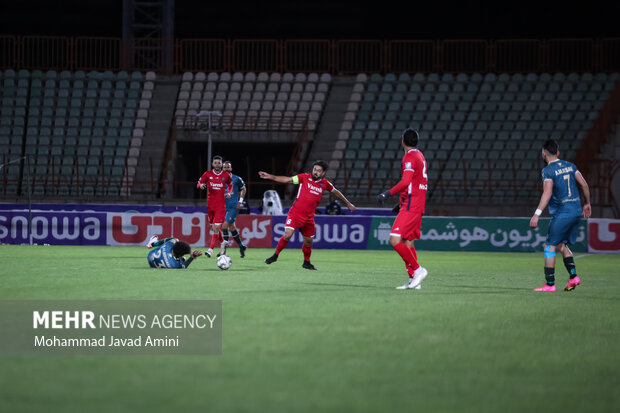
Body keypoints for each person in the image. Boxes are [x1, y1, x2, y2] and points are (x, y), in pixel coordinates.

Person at [259, 160, 356, 270]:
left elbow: (336, 192)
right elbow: (289, 180)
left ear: (323, 173)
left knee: (308, 241)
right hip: (295, 214)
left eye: (319, 171)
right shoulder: (304, 177)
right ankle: (275, 256)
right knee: (288, 234)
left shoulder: (325, 184)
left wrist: (348, 203)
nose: (315, 172)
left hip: (309, 217)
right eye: (315, 169)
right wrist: (271, 177)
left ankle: (306, 262)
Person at [529, 139, 591, 292]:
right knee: (562, 245)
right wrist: (587, 203)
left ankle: (550, 285)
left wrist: (536, 214)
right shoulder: (570, 166)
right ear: (558, 152)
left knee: (549, 246)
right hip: (576, 210)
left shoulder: (548, 171)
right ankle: (573, 277)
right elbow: (584, 184)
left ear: (544, 153)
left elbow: (547, 192)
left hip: (563, 213)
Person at [377, 128, 428, 290]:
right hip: (416, 202)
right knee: (408, 241)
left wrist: (387, 193)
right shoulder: (420, 155)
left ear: (402, 141)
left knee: (394, 239)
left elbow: (406, 181)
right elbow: (416, 182)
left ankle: (418, 270)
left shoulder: (410, 157)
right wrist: (400, 203)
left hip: (412, 204)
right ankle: (414, 280)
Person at [197, 155, 232, 258]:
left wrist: (229, 192)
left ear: (222, 164)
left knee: (216, 227)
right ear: (212, 164)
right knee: (214, 228)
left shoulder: (226, 175)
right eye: (215, 163)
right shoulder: (207, 174)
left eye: (219, 163)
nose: (217, 164)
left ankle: (210, 250)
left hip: (220, 206)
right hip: (210, 205)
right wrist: (201, 185)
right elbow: (199, 183)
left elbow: (230, 185)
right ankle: (223, 241)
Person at [222, 160, 248, 258]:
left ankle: (223, 250)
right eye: (225, 167)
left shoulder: (236, 179)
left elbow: (244, 189)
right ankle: (241, 246)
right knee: (232, 227)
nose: (227, 169)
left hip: (233, 206)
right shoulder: (220, 179)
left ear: (231, 168)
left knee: (224, 227)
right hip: (223, 207)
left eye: (228, 167)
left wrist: (240, 201)